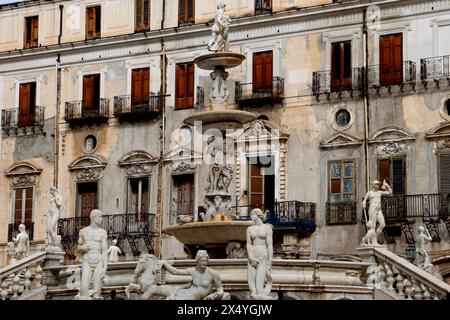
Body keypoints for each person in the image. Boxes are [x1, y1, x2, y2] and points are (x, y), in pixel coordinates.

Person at [76, 209, 108, 300]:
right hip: (87, 260)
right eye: (100, 216)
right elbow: (78, 247)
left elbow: (105, 250)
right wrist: (83, 248)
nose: (101, 219)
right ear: (94, 218)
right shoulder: (83, 231)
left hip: (98, 260)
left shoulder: (103, 232)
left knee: (97, 294)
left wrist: (105, 266)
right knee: (83, 292)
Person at [246, 208, 273, 299]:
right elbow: (249, 244)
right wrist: (250, 257)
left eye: (252, 214)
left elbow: (270, 246)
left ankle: (269, 282)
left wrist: (270, 262)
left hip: (263, 257)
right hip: (252, 257)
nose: (251, 216)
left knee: (259, 289)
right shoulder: (249, 229)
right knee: (252, 290)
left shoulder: (267, 228)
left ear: (258, 215)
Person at [361, 180, 392, 246]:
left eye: (378, 184)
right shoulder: (369, 193)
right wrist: (363, 203)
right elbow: (364, 201)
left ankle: (375, 238)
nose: (378, 186)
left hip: (379, 209)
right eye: (377, 184)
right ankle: (368, 240)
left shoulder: (380, 192)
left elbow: (390, 192)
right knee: (372, 226)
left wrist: (386, 185)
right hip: (372, 209)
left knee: (382, 224)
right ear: (373, 185)